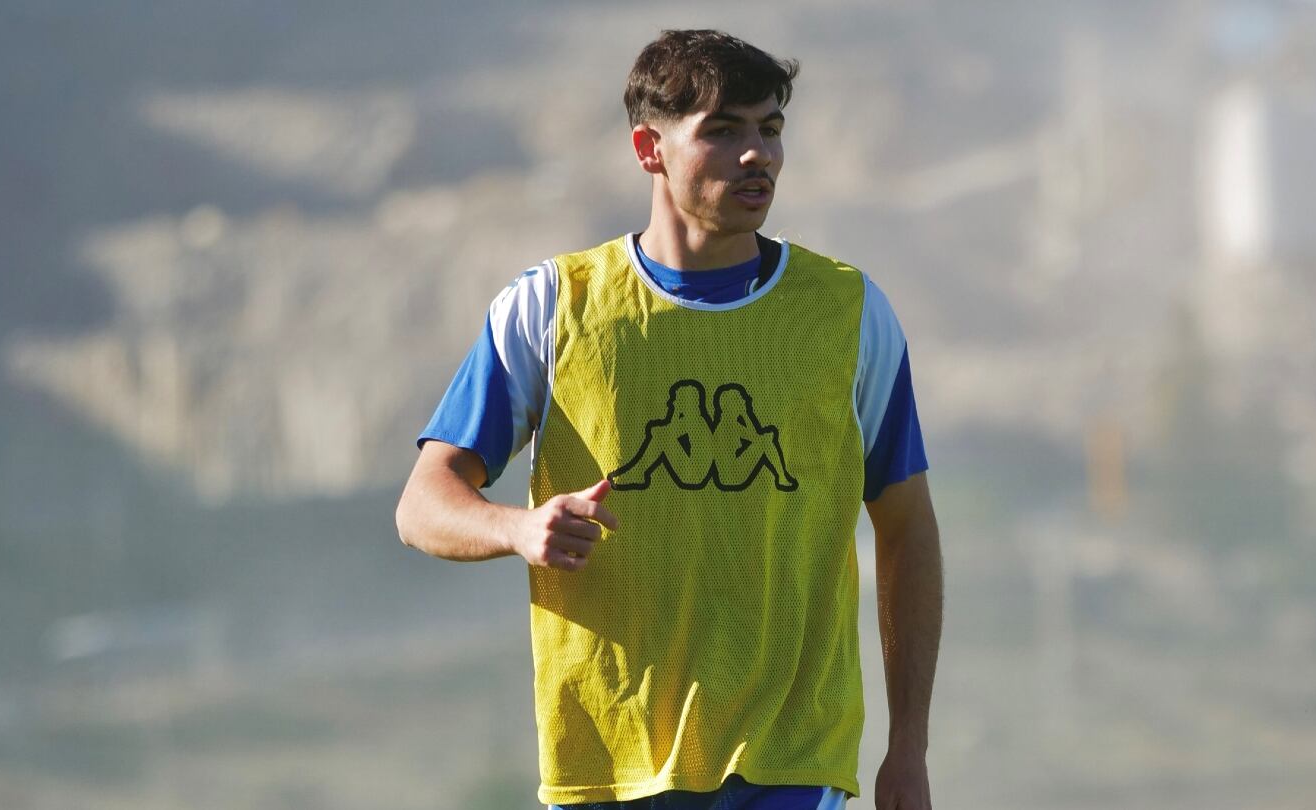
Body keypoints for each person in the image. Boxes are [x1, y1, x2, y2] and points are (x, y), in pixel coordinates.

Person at [396, 28, 943, 810]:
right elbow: (423, 503)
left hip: (790, 761)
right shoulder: (553, 308)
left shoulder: (851, 314)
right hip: (604, 765)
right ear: (649, 148)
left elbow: (907, 527)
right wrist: (517, 530)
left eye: (771, 129)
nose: (759, 155)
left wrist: (909, 748)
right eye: (724, 132)